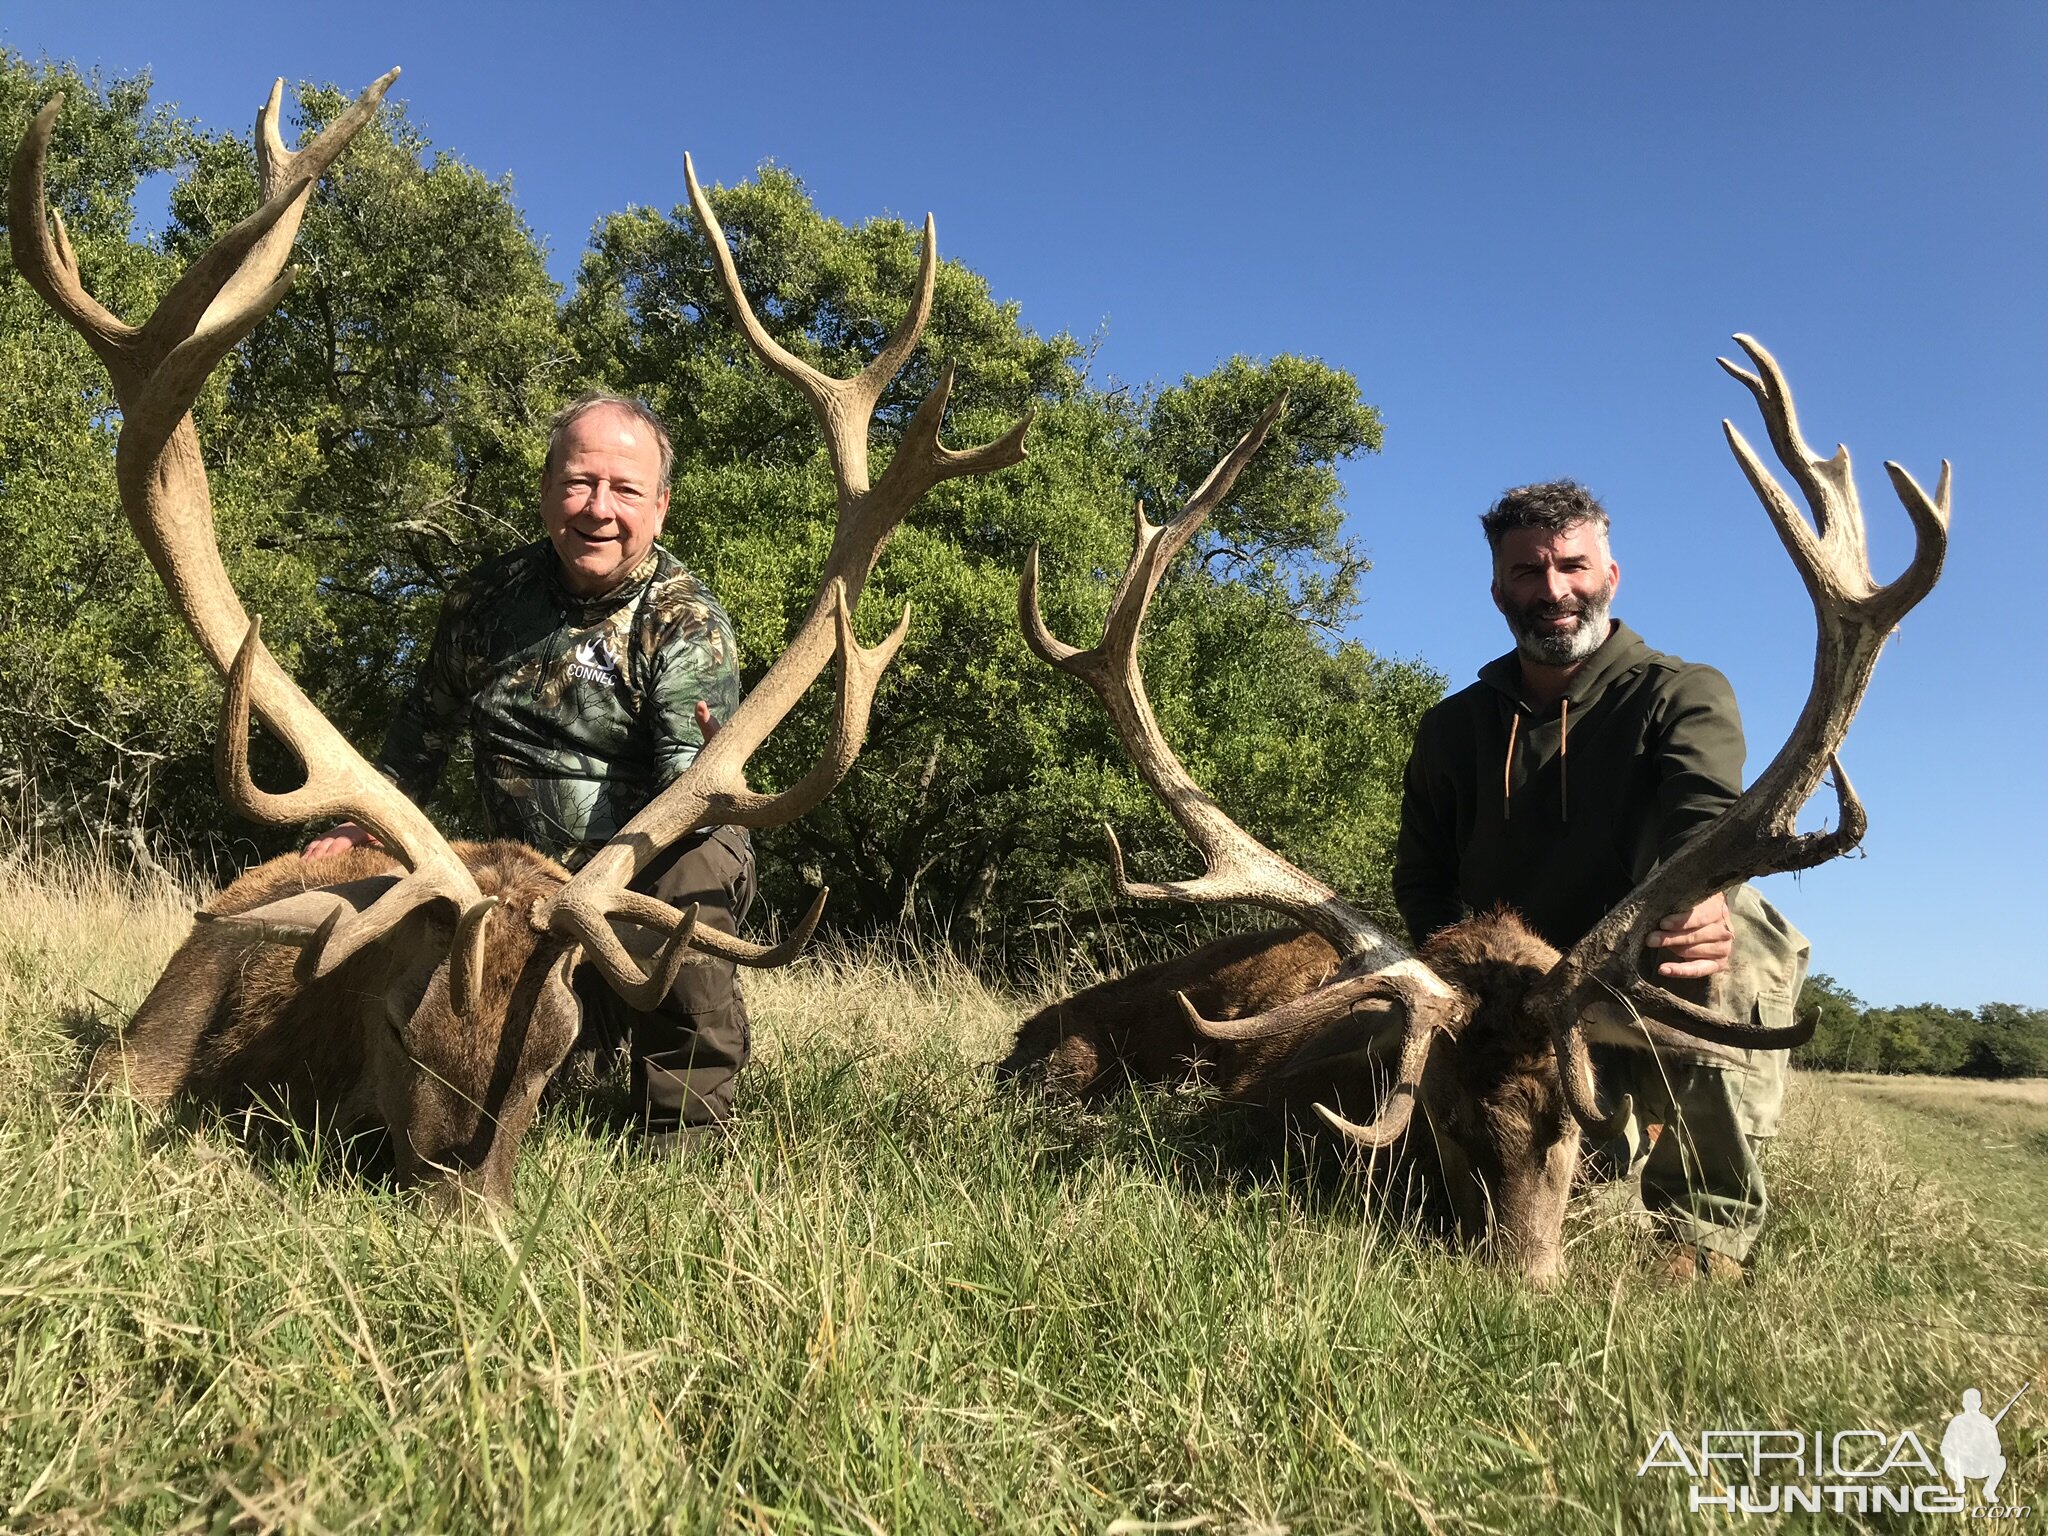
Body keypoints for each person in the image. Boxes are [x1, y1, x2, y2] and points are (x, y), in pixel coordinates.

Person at [305, 391, 753, 1153]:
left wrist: (613, 870)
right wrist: (359, 825)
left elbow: (684, 798)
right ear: (546, 489)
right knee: (356, 872)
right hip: (514, 884)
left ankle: (685, 1130)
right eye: (579, 483)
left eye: (625, 490)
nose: (598, 509)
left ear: (662, 507)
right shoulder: (484, 602)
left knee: (697, 869)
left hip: (634, 872)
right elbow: (421, 733)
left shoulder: (686, 625)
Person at [1392, 480, 1808, 1282]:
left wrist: (1702, 895)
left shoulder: (1680, 693)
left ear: (1610, 577)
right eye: (1526, 572)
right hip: (1510, 1006)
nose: (1552, 591)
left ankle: (1704, 1229)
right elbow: (1423, 880)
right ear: (1498, 590)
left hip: (1628, 976)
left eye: (1573, 567)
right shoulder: (1453, 729)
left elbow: (1706, 821)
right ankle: (1596, 1160)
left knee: (1737, 929)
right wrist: (1444, 989)